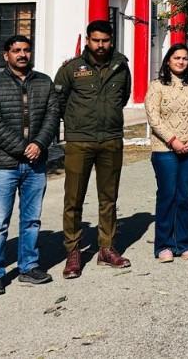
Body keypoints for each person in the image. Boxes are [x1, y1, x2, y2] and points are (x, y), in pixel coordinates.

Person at [0, 35, 62, 297]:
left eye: (27, 50)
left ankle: (29, 266)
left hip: (36, 164)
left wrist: (38, 143)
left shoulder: (44, 82)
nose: (22, 55)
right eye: (17, 51)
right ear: (6, 55)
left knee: (31, 220)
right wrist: (21, 148)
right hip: (2, 165)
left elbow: (52, 115)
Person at [54, 20, 132, 278]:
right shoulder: (72, 69)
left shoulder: (121, 66)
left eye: (105, 41)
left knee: (108, 198)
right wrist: (77, 124)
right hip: (80, 141)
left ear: (112, 40)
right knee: (73, 198)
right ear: (88, 40)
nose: (101, 45)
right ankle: (73, 251)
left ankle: (106, 248)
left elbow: (124, 97)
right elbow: (59, 100)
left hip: (110, 139)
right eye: (96, 40)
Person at [145, 45, 188, 263]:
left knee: (184, 196)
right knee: (168, 195)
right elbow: (153, 117)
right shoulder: (156, 86)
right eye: (176, 58)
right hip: (165, 149)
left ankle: (183, 242)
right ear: (168, 60)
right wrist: (173, 141)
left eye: (184, 58)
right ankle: (163, 244)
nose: (181, 62)